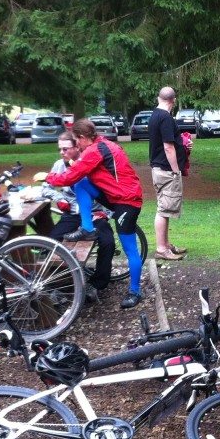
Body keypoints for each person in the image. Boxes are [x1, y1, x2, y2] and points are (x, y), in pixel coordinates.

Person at [45, 118, 145, 309]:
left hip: (127, 201)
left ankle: (135, 291)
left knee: (130, 248)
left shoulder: (94, 151)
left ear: (82, 138)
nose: (76, 145)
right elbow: (83, 176)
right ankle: (87, 227)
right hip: (114, 196)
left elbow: (69, 176)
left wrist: (48, 177)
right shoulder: (102, 144)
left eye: (76, 141)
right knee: (81, 183)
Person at [46, 132, 116, 303]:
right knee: (49, 242)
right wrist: (60, 198)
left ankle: (96, 285)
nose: (62, 152)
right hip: (71, 215)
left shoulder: (92, 162)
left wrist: (104, 214)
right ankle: (57, 286)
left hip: (94, 215)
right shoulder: (58, 165)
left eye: (66, 149)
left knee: (108, 243)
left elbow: (113, 194)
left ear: (77, 147)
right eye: (59, 149)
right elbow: (45, 188)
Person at [148, 87, 189, 261]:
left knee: (165, 207)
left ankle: (166, 244)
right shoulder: (165, 118)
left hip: (159, 168)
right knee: (163, 209)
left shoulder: (155, 115)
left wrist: (185, 146)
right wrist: (175, 170)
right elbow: (167, 146)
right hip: (165, 170)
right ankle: (161, 249)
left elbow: (172, 143)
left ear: (159, 98)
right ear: (174, 101)